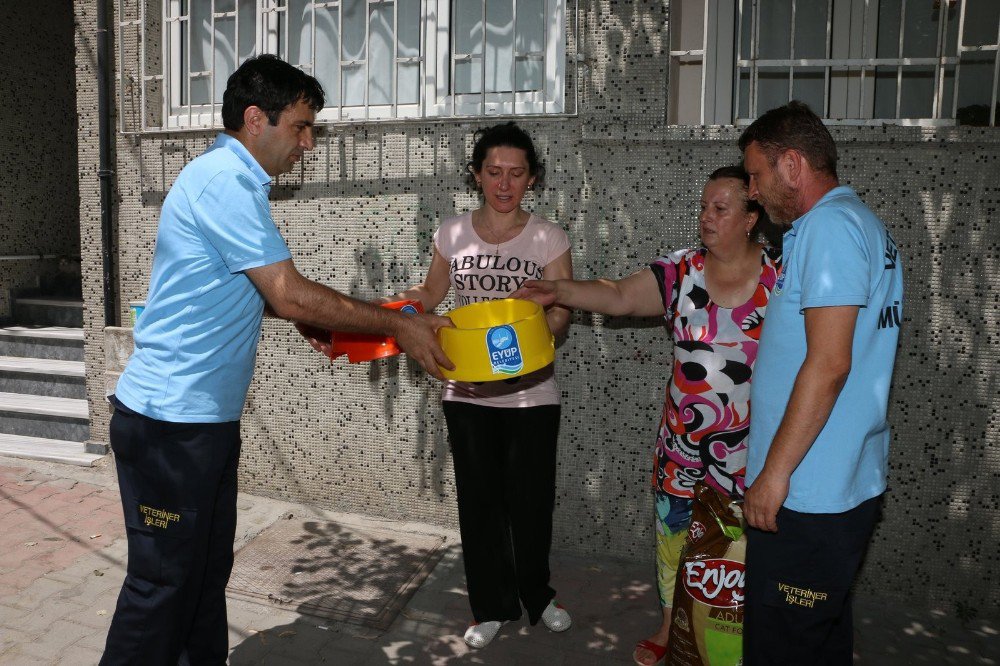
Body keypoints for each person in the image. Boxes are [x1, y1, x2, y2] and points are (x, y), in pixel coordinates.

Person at [100, 54, 453, 665]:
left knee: (205, 574)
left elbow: (245, 290)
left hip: (202, 422)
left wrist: (318, 320)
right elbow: (286, 292)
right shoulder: (225, 182)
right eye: (301, 127)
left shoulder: (237, 184)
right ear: (256, 119)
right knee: (162, 585)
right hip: (169, 425)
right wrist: (397, 323)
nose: (309, 144)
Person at [514, 166, 780, 665]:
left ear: (751, 218)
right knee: (672, 541)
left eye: (720, 209)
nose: (706, 217)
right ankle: (668, 626)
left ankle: (730, 636)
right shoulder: (681, 271)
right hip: (681, 446)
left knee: (741, 552)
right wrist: (559, 291)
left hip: (752, 450)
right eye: (704, 207)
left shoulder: (780, 278)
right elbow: (616, 295)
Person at [382, 122, 573, 649]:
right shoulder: (452, 233)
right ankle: (491, 607)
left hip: (531, 393)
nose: (504, 183)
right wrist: (404, 307)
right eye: (494, 172)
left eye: (516, 173)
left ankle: (539, 597)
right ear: (477, 174)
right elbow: (432, 290)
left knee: (531, 504)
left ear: (531, 178)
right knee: (480, 503)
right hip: (466, 392)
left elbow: (562, 313)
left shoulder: (548, 237)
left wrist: (545, 325)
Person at [738, 101, 904, 664]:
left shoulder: (828, 227)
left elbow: (830, 363)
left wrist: (773, 476)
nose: (753, 191)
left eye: (756, 175)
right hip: (836, 483)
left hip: (808, 494)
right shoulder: (857, 223)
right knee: (820, 638)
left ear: (791, 165)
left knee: (783, 645)